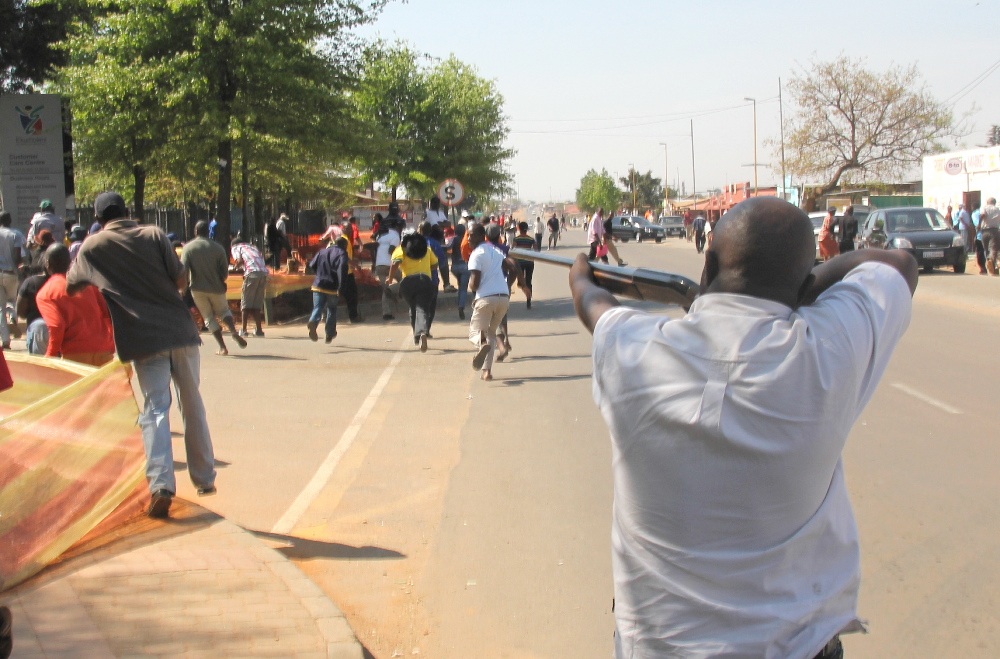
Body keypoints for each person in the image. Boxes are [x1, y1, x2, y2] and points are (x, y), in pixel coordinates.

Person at [569, 196, 918, 658]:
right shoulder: (828, 347)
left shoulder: (631, 348)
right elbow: (899, 264)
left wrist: (580, 271)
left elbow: (592, 301)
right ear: (806, 283)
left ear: (707, 263)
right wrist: (809, 283)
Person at [67, 191, 218, 519]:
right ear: (126, 211)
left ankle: (161, 484)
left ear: (98, 218)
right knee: (192, 402)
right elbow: (181, 278)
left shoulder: (93, 246)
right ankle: (204, 477)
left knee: (155, 409)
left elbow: (71, 285)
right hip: (180, 330)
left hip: (142, 339)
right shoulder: (153, 233)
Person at [36, 244, 115, 366]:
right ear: (70, 261)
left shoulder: (46, 293)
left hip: (75, 357)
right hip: (104, 351)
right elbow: (107, 313)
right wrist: (110, 342)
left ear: (47, 264)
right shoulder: (86, 283)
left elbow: (56, 326)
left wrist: (49, 357)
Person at [467, 223, 529, 380]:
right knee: (491, 335)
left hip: (486, 299)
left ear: (482, 236)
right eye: (468, 235)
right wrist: (521, 285)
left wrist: (470, 285)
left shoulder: (476, 254)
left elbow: (474, 284)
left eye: (471, 235)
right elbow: (513, 265)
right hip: (503, 298)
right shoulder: (495, 251)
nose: (468, 239)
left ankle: (481, 345)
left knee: (475, 332)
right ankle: (486, 372)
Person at [181, 221, 247, 355]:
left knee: (208, 318)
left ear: (196, 231)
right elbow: (224, 272)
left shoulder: (188, 248)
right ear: (208, 232)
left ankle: (222, 347)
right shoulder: (218, 248)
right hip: (216, 287)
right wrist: (220, 280)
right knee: (224, 311)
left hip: (197, 289)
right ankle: (233, 331)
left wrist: (184, 288)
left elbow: (184, 271)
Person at [390, 229, 438, 352]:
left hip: (408, 283)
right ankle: (422, 332)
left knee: (413, 307)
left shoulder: (401, 250)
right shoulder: (426, 249)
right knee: (421, 308)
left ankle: (417, 335)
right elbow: (435, 264)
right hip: (425, 282)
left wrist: (390, 278)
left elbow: (395, 263)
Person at [307, 238, 348, 343]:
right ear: (344, 245)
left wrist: (319, 274)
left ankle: (313, 321)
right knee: (332, 309)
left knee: (318, 307)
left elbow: (312, 265)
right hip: (332, 287)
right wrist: (341, 286)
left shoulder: (322, 251)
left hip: (318, 285)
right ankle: (329, 333)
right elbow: (342, 269)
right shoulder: (342, 253)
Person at [230, 235, 269, 337]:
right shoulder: (253, 247)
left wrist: (234, 268)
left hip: (251, 273)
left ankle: (243, 330)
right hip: (263, 274)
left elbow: (239, 261)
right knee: (256, 303)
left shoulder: (236, 247)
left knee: (246, 302)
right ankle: (259, 330)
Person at [0, 211, 24, 349]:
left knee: (0, 307)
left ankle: (5, 339)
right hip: (11, 273)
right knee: (13, 299)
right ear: (10, 220)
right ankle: (14, 315)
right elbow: (17, 255)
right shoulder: (16, 234)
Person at [16, 258, 50, 355]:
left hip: (37, 331)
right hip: (62, 332)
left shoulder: (30, 283)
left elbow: (20, 311)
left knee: (39, 367)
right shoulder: (67, 283)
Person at [374, 204, 402, 320]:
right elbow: (391, 250)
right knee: (405, 279)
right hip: (390, 265)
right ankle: (394, 290)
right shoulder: (395, 235)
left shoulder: (380, 237)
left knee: (385, 289)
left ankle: (387, 313)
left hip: (379, 265)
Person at [512, 222, 536, 309]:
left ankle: (527, 294)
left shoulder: (516, 239)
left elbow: (513, 250)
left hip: (520, 263)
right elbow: (536, 251)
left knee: (520, 282)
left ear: (519, 228)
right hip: (530, 262)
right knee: (529, 280)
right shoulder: (531, 239)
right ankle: (529, 298)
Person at [979, 197, 1000, 276]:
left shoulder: (984, 207)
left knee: (986, 248)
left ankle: (988, 264)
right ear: (994, 203)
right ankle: (990, 262)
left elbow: (982, 215)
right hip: (994, 230)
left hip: (984, 231)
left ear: (987, 202)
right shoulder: (997, 209)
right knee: (993, 249)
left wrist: (978, 224)